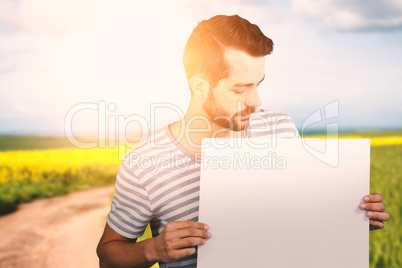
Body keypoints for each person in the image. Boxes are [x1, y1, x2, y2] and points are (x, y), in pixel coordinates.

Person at [97, 15, 389, 268]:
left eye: (259, 83)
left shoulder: (280, 127)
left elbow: (300, 220)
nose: (256, 100)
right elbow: (108, 257)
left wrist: (354, 219)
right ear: (199, 85)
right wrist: (152, 249)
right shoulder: (144, 163)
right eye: (241, 88)